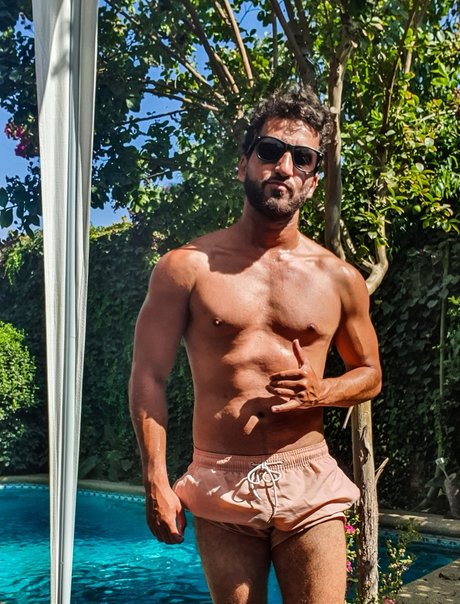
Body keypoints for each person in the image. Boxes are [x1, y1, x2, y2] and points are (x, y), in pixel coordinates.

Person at [129, 85, 382, 604]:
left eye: (303, 158)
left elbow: (370, 373)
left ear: (313, 180)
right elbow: (148, 375)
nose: (284, 167)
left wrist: (324, 392)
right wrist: (155, 477)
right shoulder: (186, 268)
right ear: (244, 163)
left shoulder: (339, 279)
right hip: (220, 478)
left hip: (308, 475)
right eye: (270, 151)